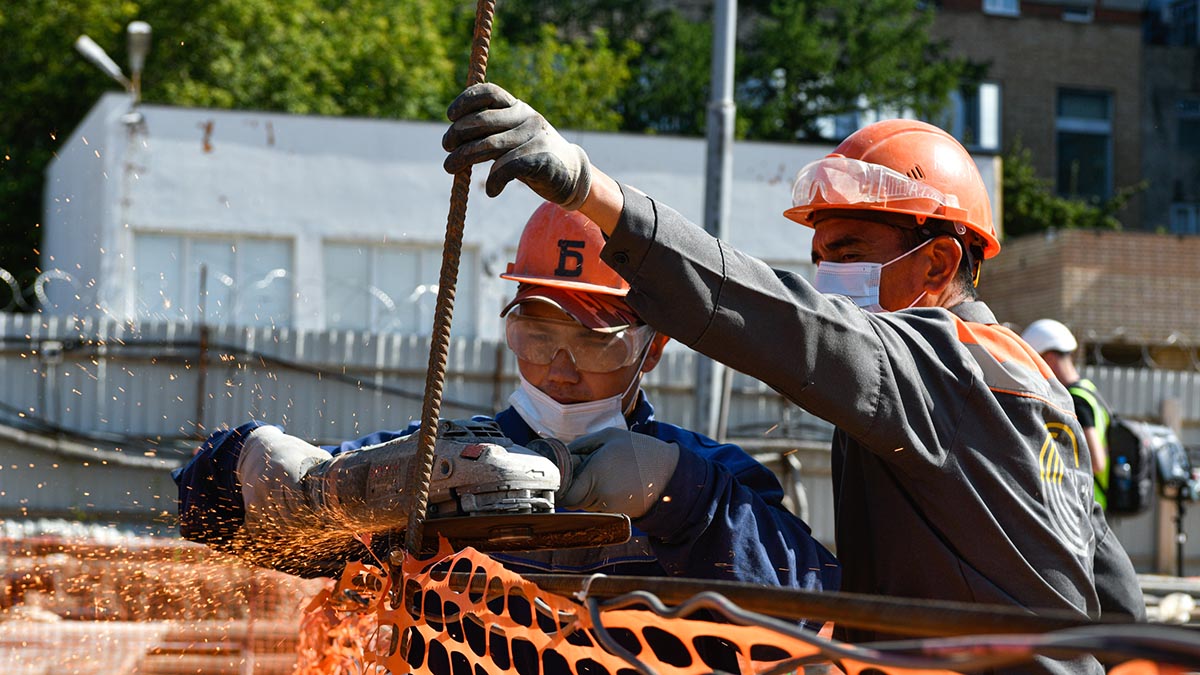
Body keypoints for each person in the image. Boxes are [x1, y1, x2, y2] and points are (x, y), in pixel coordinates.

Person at [441, 84, 1144, 673]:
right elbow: (1110, 591)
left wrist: (590, 191)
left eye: (849, 251)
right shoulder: (1032, 380)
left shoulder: (934, 362)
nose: (829, 278)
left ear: (937, 264)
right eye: (820, 254)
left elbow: (786, 323)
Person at [173, 201, 839, 595]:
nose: (561, 368)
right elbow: (208, 513)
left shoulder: (714, 482)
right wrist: (318, 485)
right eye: (538, 334)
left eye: (595, 341)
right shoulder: (436, 467)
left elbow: (817, 598)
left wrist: (683, 498)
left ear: (651, 348)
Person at [1022, 318, 1111, 509]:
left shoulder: (1074, 400)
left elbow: (1096, 462)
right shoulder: (1089, 389)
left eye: (1035, 361)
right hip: (1093, 505)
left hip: (1083, 508)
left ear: (1049, 359)